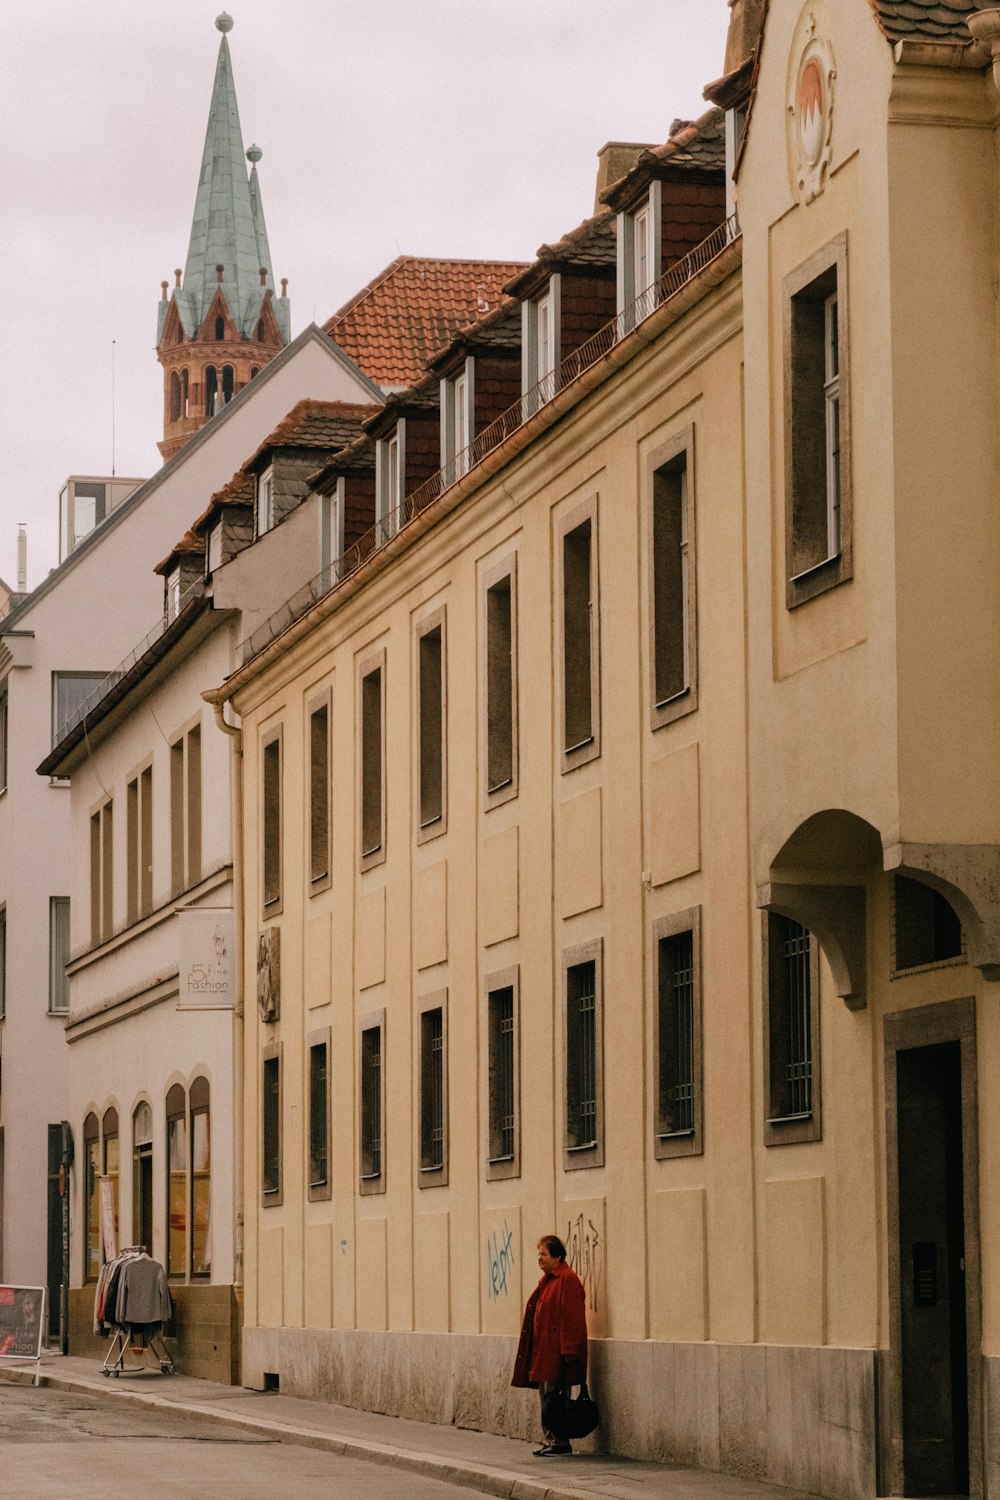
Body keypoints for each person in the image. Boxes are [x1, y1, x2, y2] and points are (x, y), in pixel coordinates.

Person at [511, 1234, 588, 1456]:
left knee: (556, 1398)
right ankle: (551, 1438)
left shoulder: (567, 1279)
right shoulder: (548, 1280)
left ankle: (561, 1442)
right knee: (547, 1398)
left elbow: (572, 1318)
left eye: (544, 1254)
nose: (540, 1258)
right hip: (544, 1352)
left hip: (557, 1353)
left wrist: (569, 1351)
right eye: (539, 1254)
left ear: (557, 1256)